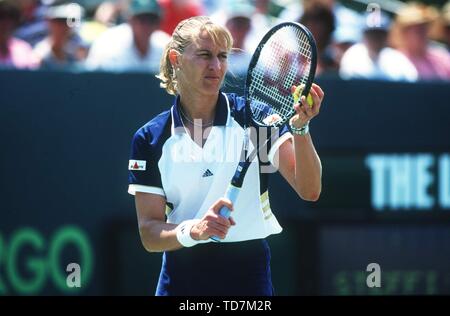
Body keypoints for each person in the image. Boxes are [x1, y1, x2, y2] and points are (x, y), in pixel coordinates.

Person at [127, 16, 324, 296]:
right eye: (205, 55)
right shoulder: (150, 138)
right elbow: (149, 233)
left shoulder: (256, 118)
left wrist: (301, 129)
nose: (216, 66)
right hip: (180, 278)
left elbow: (310, 190)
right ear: (176, 59)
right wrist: (195, 230)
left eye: (222, 56)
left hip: (248, 277)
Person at [86, 0, 170, 73]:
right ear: (130, 20)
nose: (147, 25)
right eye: (142, 20)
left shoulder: (166, 46)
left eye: (152, 20)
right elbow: (92, 79)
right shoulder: (108, 42)